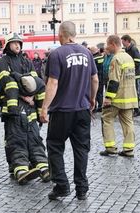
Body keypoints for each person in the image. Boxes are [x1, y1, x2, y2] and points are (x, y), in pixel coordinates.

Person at [40, 21, 99, 200]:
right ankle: (82, 188)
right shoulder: (87, 53)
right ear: (74, 34)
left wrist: (44, 107)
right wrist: (92, 99)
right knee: (81, 149)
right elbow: (95, 79)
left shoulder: (57, 54)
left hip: (62, 110)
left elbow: (53, 82)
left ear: (61, 34)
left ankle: (61, 185)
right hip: (82, 109)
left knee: (55, 146)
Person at [0, 32, 50, 185]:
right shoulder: (1, 61)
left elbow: (35, 81)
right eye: (14, 43)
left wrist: (31, 96)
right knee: (16, 139)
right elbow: (7, 82)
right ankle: (20, 169)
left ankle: (43, 167)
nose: (17, 45)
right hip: (12, 109)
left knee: (34, 138)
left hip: (30, 107)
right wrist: (24, 94)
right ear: (7, 45)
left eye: (19, 42)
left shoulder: (27, 61)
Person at [100, 35, 138, 158]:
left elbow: (114, 81)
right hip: (130, 97)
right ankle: (129, 149)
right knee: (128, 122)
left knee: (106, 118)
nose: (106, 47)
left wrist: (108, 98)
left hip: (117, 98)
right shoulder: (129, 58)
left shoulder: (116, 59)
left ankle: (111, 147)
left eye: (107, 44)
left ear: (113, 44)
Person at [121, 35, 140, 117]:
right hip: (130, 74)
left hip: (135, 74)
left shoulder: (133, 49)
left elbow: (138, 61)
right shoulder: (126, 49)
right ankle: (134, 109)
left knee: (135, 93)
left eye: (123, 41)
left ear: (127, 41)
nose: (122, 43)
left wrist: (130, 68)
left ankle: (137, 110)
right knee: (132, 93)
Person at [90, 47, 104, 112]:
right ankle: (100, 106)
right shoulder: (102, 57)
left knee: (95, 92)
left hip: (96, 77)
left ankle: (94, 107)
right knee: (100, 93)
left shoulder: (93, 59)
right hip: (102, 77)